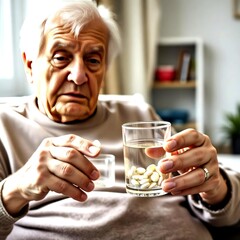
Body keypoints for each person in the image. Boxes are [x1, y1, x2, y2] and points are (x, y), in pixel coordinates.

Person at [0, 0, 240, 239]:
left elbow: (227, 212)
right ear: (30, 65)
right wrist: (15, 189)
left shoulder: (139, 113)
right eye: (61, 57)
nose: (79, 75)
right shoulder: (6, 126)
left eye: (93, 60)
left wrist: (217, 186)